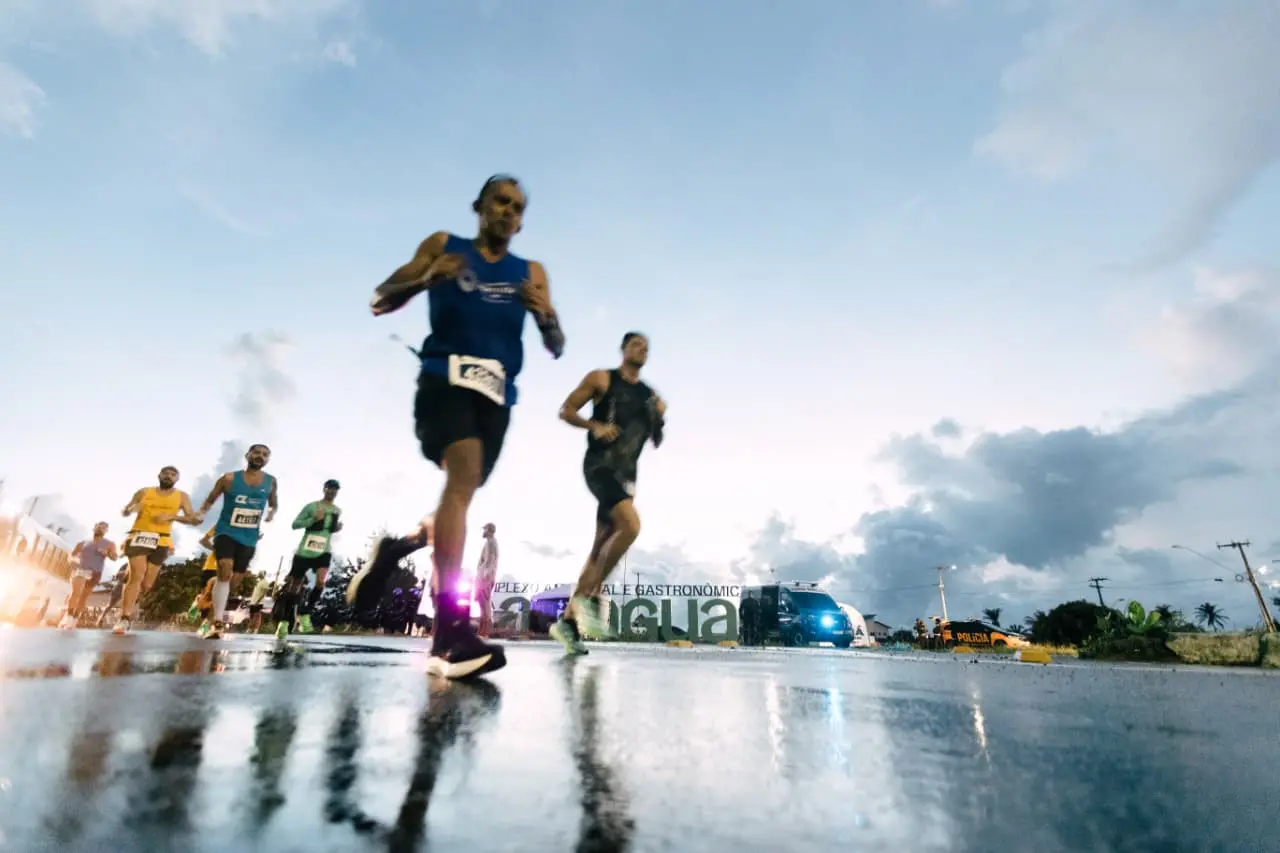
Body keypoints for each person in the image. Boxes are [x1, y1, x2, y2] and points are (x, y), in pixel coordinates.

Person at [348, 174, 565, 680]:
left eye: (517, 207)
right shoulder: (444, 246)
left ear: (522, 221)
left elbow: (556, 345)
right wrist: (426, 277)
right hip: (443, 380)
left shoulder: (530, 271)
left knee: (460, 495)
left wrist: (546, 314)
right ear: (479, 207)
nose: (508, 211)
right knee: (462, 477)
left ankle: (400, 547)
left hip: (497, 396)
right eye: (500, 202)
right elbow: (380, 298)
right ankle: (449, 630)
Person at [551, 332, 666, 654]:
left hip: (627, 476)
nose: (641, 349)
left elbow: (656, 438)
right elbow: (566, 410)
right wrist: (595, 426)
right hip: (600, 466)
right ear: (623, 349)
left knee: (600, 547)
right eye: (635, 344)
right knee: (631, 526)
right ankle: (591, 598)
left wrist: (659, 417)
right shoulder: (602, 379)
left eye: (646, 347)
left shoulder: (649, 395)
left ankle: (568, 623)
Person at [196, 444, 278, 640]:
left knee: (233, 583)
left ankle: (210, 615)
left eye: (265, 454)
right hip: (226, 532)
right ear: (248, 455)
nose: (260, 456)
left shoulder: (271, 481)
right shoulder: (229, 478)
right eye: (256, 452)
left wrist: (270, 513)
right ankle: (217, 622)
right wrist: (202, 512)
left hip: (248, 537)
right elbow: (211, 499)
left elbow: (273, 503)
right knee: (224, 571)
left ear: (267, 460)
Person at [115, 466, 203, 634]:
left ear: (177, 479)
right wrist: (128, 510)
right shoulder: (144, 492)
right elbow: (125, 510)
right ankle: (124, 617)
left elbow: (192, 518)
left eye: (173, 474)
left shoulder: (182, 496)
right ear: (159, 476)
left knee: (147, 584)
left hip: (162, 539)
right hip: (139, 535)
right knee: (136, 576)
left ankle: (131, 602)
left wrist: (172, 516)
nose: (169, 476)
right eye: (166, 473)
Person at [277, 479, 343, 638]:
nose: (332, 491)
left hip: (323, 551)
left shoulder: (337, 510)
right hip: (305, 551)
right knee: (294, 587)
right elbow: (295, 524)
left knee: (321, 582)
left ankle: (305, 613)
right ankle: (284, 622)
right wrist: (313, 519)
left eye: (335, 489)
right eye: (330, 488)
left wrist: (336, 528)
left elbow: (328, 530)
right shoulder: (312, 507)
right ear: (324, 489)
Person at [59, 522, 118, 630]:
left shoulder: (110, 544)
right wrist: (72, 561)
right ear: (94, 528)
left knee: (84, 597)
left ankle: (75, 619)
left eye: (104, 528)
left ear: (106, 531)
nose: (101, 528)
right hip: (81, 570)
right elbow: (71, 556)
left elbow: (115, 557)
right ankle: (68, 618)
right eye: (99, 526)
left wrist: (107, 553)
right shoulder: (83, 543)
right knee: (75, 593)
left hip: (95, 573)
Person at [187, 527, 220, 624]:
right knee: (209, 595)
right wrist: (216, 550)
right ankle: (200, 607)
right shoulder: (221, 526)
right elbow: (203, 541)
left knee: (210, 596)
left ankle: (200, 609)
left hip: (216, 568)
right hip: (212, 568)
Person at [475, 523, 499, 638]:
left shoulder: (491, 542)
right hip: (486, 576)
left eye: (484, 529)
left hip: (485, 577)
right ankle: (483, 631)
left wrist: (485, 574)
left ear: (489, 530)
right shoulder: (491, 542)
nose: (483, 532)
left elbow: (491, 559)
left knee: (484, 602)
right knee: (484, 602)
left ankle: (484, 631)